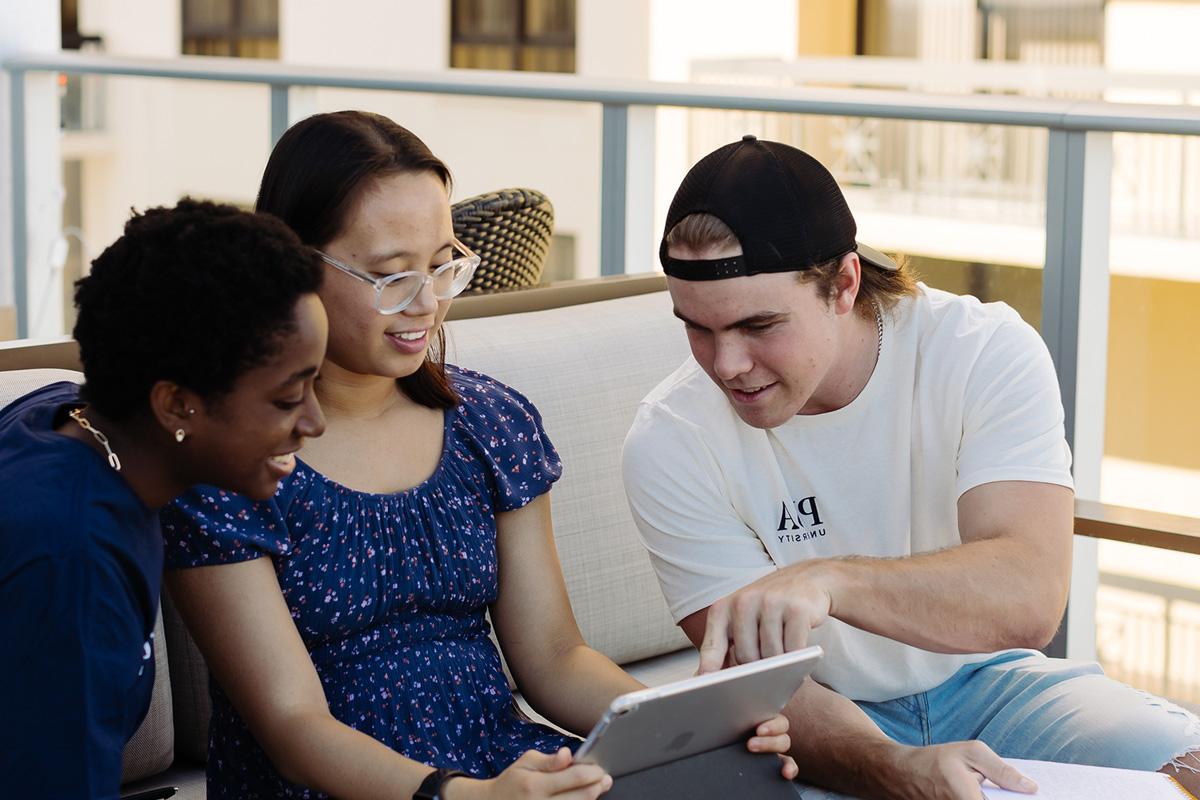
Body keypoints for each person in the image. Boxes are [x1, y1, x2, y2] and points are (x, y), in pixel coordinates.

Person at [161, 111, 795, 800]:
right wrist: (463, 796)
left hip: (502, 767)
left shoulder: (489, 426)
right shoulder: (229, 461)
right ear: (294, 266)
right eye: (390, 276)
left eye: (442, 266)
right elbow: (292, 727)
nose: (427, 303)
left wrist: (685, 732)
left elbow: (553, 658)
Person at [621, 135, 1200, 800]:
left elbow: (1030, 593)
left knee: (1188, 768)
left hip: (994, 684)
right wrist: (894, 768)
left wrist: (829, 579)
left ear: (842, 283)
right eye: (697, 328)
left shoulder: (981, 352)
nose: (726, 365)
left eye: (758, 326)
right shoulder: (670, 438)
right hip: (817, 717)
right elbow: (759, 690)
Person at [0, 199, 328, 799]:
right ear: (176, 405)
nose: (315, 420)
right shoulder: (74, 558)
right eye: (287, 398)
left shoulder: (55, 419)